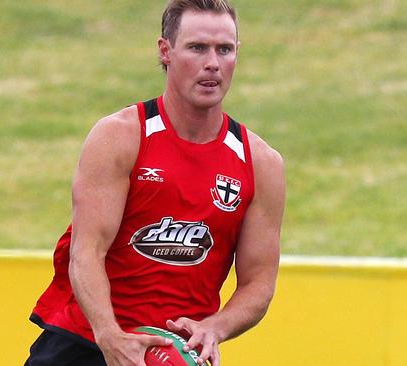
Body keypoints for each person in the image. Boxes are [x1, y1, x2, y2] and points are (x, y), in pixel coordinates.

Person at [26, 1, 285, 365]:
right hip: (86, 341)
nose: (212, 62)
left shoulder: (260, 163)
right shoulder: (121, 136)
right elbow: (86, 252)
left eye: (224, 49)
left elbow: (258, 282)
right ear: (166, 52)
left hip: (174, 353)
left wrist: (215, 327)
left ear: (236, 55)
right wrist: (110, 336)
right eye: (197, 48)